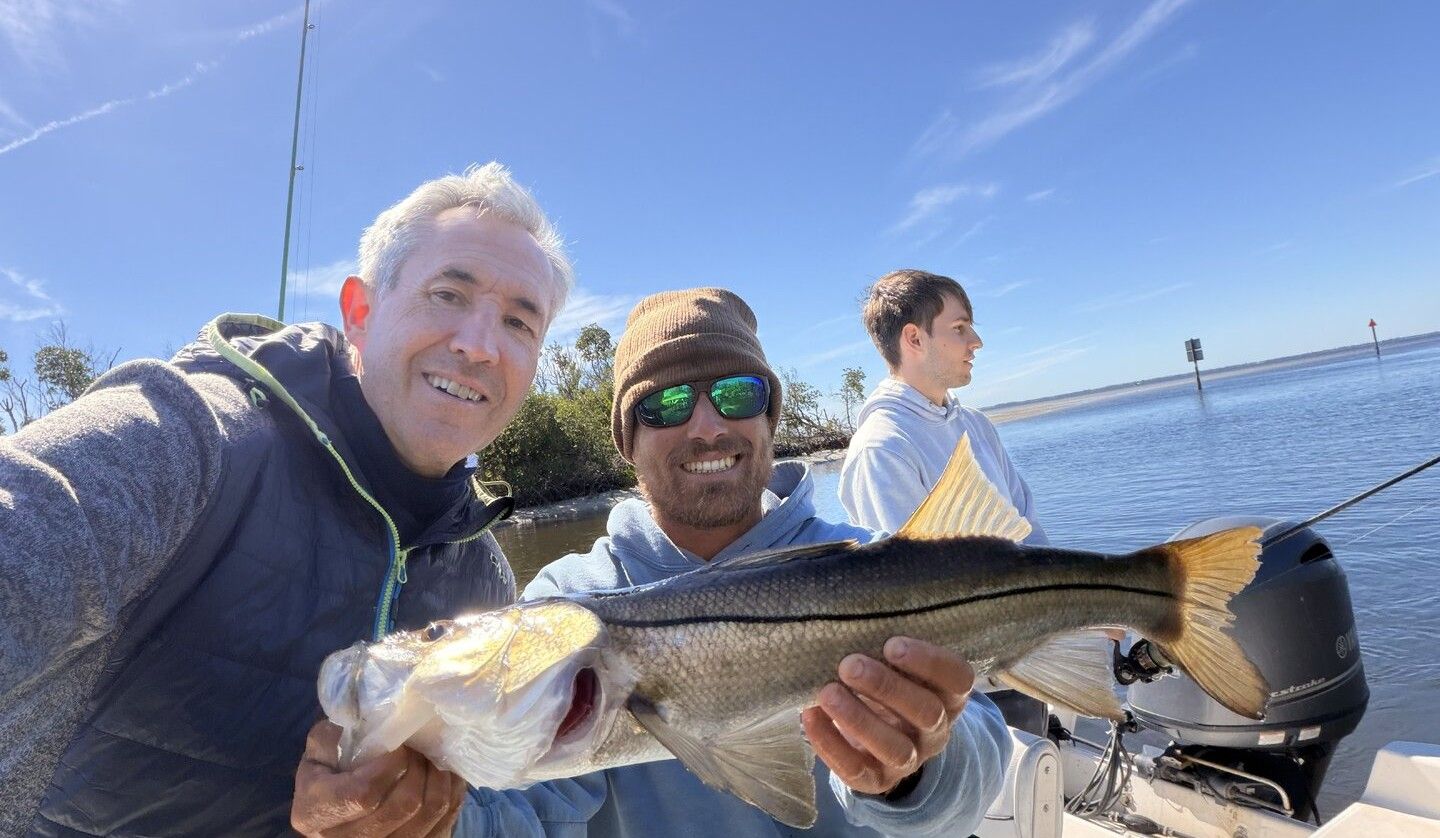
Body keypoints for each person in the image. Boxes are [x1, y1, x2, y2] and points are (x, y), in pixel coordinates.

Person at [0, 163, 572, 836]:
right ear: (360, 312)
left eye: (518, 323)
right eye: (448, 294)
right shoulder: (188, 440)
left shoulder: (485, 582)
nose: (478, 345)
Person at [460, 288, 1012, 837]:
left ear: (769, 419)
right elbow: (530, 810)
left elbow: (972, 783)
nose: (707, 426)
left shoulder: (873, 561)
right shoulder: (567, 605)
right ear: (629, 442)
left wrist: (913, 776)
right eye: (667, 404)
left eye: (738, 393)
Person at [839, 268, 1051, 735]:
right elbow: (912, 601)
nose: (976, 341)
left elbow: (1029, 535)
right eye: (959, 328)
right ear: (913, 339)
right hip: (959, 700)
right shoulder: (883, 447)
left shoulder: (975, 426)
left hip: (1027, 661)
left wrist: (1072, 613)